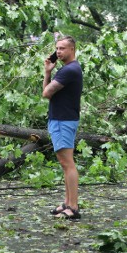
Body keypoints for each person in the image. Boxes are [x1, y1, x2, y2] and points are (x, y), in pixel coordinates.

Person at [42, 36, 83, 220]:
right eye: (57, 48)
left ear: (72, 50)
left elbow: (46, 92)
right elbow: (49, 95)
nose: (58, 52)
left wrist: (48, 76)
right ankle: (67, 203)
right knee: (64, 163)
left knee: (68, 163)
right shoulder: (67, 69)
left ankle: (73, 207)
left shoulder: (70, 70)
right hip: (61, 119)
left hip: (63, 120)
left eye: (63, 48)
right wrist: (48, 72)